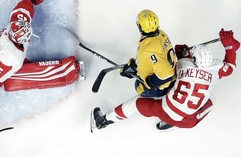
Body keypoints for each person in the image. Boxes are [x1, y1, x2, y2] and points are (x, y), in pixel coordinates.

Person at [91, 29, 240, 131]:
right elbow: (231, 66)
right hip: (190, 121)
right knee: (212, 99)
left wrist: (135, 71)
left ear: (193, 59)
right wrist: (230, 47)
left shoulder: (183, 65)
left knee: (136, 104)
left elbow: (165, 73)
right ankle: (173, 124)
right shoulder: (214, 70)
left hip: (167, 110)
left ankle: (103, 121)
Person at [120, 9, 177, 98]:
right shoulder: (161, 34)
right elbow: (158, 55)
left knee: (138, 87)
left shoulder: (147, 49)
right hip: (172, 73)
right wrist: (137, 64)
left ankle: (156, 99)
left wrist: (149, 82)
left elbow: (167, 74)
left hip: (164, 87)